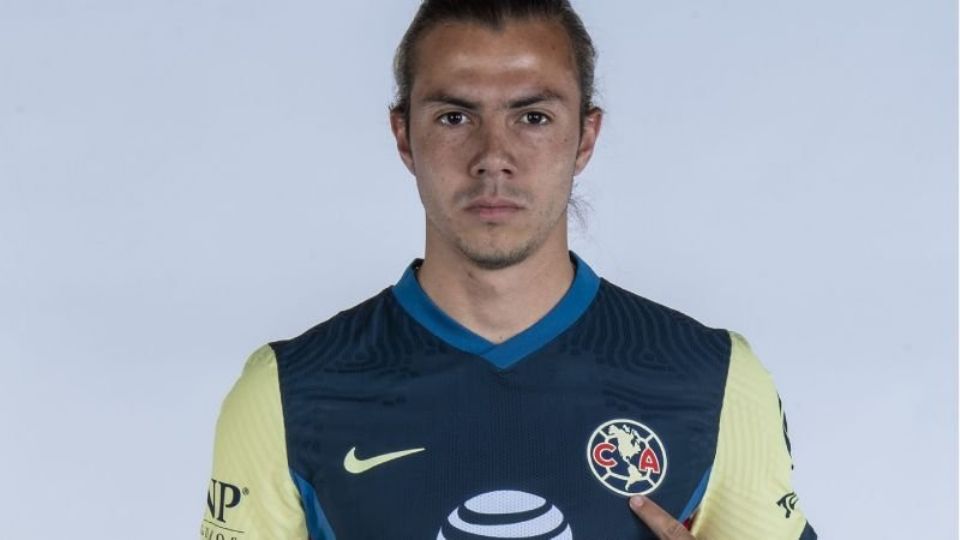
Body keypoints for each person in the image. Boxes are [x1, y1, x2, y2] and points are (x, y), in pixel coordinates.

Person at [200, 1, 816, 538]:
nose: (493, 157)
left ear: (585, 137)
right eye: (454, 117)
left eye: (533, 117)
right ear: (404, 136)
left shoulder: (716, 381)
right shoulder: (286, 395)